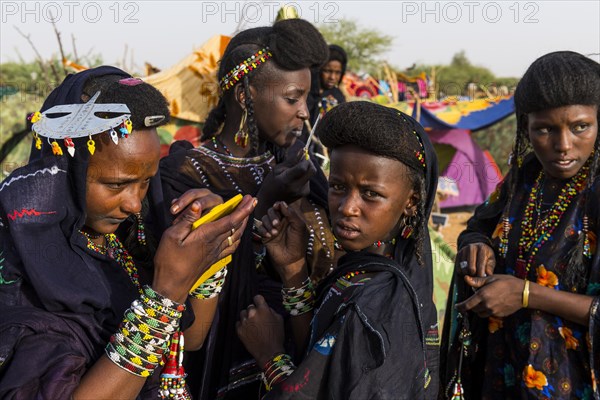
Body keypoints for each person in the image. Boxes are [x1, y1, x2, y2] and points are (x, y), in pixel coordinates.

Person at [0, 67, 256, 399]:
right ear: (66, 170)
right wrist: (163, 296)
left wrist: (208, 258)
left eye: (146, 181)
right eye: (117, 184)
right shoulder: (28, 277)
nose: (135, 204)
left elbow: (189, 339)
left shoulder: (123, 242)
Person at [158, 18, 338, 400]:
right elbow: (184, 278)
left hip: (297, 357)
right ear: (245, 96)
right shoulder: (185, 173)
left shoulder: (297, 166)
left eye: (307, 98)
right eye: (293, 98)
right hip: (215, 362)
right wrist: (265, 200)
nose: (305, 112)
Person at [237, 101, 440, 398]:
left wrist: (270, 356)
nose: (347, 208)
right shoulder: (371, 268)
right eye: (338, 187)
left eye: (371, 194)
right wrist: (294, 269)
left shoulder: (379, 304)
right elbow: (327, 355)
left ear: (411, 201)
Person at [440, 51, 600, 400]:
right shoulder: (526, 177)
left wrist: (525, 294)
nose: (563, 146)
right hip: (502, 372)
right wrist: (477, 245)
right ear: (525, 125)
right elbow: (479, 224)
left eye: (580, 127)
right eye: (544, 129)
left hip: (573, 383)